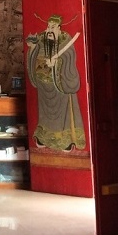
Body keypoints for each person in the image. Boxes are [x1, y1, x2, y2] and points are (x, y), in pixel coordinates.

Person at [26, 14, 85, 152]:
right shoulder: (42, 38)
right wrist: (33, 48)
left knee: (62, 112)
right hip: (43, 83)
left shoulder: (65, 39)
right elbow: (34, 52)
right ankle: (43, 137)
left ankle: (65, 140)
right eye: (48, 26)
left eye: (53, 27)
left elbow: (69, 55)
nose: (49, 30)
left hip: (59, 83)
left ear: (59, 28)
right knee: (44, 113)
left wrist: (57, 62)